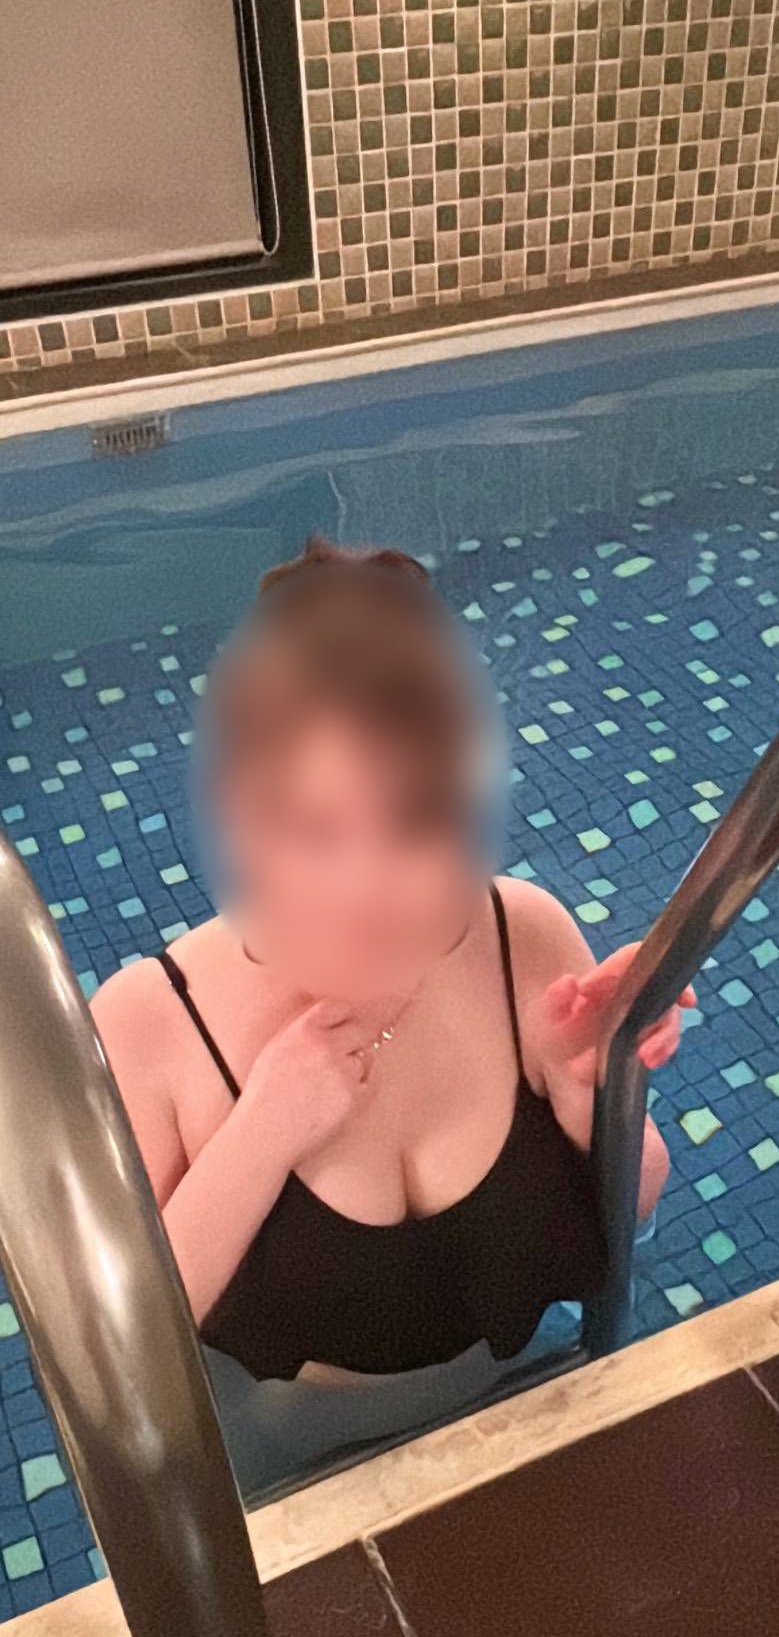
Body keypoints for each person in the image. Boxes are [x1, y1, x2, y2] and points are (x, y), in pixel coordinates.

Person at [92, 539, 694, 1495]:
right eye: (314, 828)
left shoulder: (524, 936)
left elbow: (637, 1209)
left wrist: (595, 1088)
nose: (366, 888)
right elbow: (121, 1356)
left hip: (516, 1415)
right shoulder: (151, 1023)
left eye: (414, 821)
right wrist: (263, 1130)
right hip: (289, 1461)